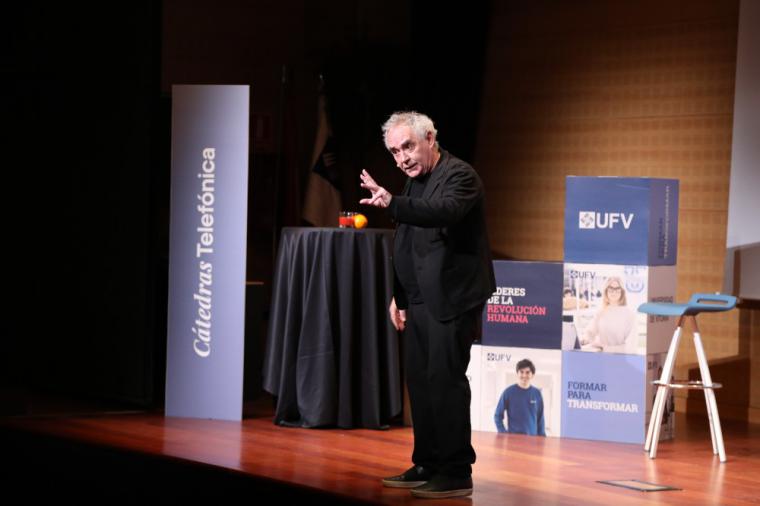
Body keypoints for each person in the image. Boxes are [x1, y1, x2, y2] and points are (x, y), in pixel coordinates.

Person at [360, 111, 495, 499]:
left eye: (407, 146)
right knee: (420, 382)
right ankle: (428, 462)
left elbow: (443, 213)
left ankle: (454, 472)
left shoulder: (460, 176)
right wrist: (399, 296)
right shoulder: (414, 182)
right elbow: (409, 244)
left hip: (452, 297)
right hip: (419, 299)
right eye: (394, 152)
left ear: (430, 138)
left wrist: (392, 203)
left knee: (445, 382)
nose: (401, 158)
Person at [579, 276, 636, 353]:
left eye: (617, 289)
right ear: (606, 291)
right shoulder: (601, 312)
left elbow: (630, 347)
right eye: (611, 289)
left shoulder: (629, 314)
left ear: (622, 291)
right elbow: (590, 332)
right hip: (602, 359)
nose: (614, 292)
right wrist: (585, 339)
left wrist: (605, 348)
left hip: (622, 360)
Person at [494, 359, 546, 436]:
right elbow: (498, 415)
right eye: (521, 372)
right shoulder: (508, 392)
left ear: (532, 375)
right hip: (513, 440)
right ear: (517, 374)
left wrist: (542, 437)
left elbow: (540, 418)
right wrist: (503, 433)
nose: (524, 375)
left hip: (532, 440)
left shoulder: (537, 393)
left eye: (527, 372)